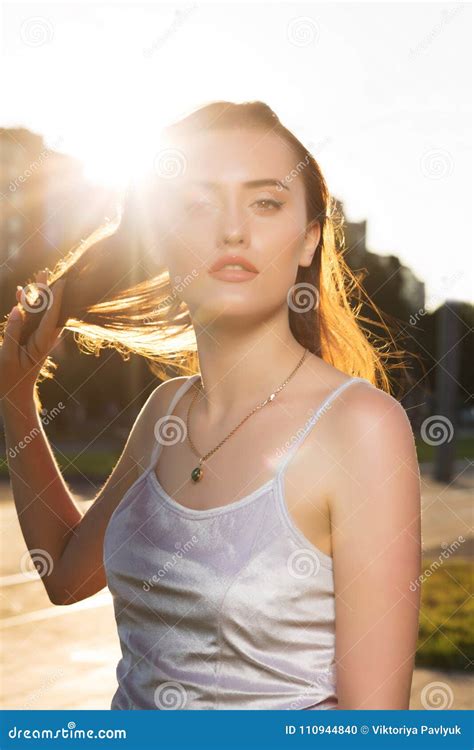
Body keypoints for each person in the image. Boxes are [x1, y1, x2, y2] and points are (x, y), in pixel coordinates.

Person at [0, 101, 421, 710]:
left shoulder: (360, 428)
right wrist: (15, 397)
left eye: (266, 202)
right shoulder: (164, 414)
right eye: (197, 205)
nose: (232, 229)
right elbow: (65, 575)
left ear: (308, 240)